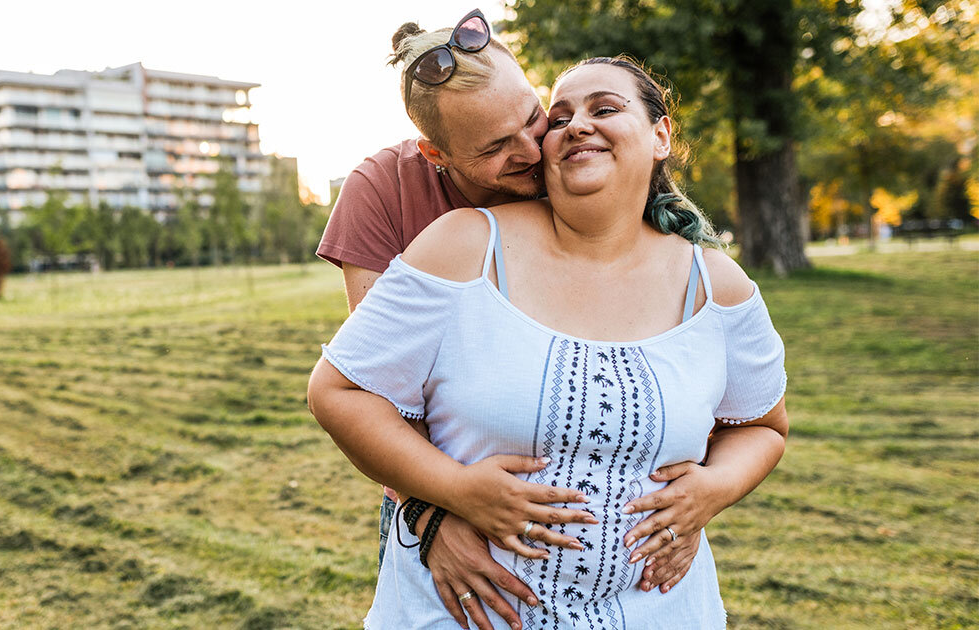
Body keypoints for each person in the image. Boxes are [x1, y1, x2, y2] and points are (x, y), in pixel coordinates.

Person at [307, 51, 788, 629]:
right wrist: (449, 497)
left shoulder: (718, 287)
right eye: (558, 118)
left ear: (661, 135)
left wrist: (715, 487)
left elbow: (762, 424)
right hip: (464, 611)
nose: (573, 126)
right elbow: (345, 391)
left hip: (660, 611)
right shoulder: (461, 248)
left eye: (605, 108)